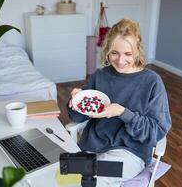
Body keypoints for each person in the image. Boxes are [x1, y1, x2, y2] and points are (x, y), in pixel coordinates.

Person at [67, 18, 172, 186]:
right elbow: (77, 117)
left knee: (89, 181)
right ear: (107, 50)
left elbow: (156, 131)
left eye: (128, 54)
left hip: (129, 153)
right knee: (59, 176)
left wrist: (123, 113)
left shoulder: (151, 82)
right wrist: (76, 100)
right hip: (91, 146)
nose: (120, 60)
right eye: (114, 53)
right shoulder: (100, 76)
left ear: (138, 51)